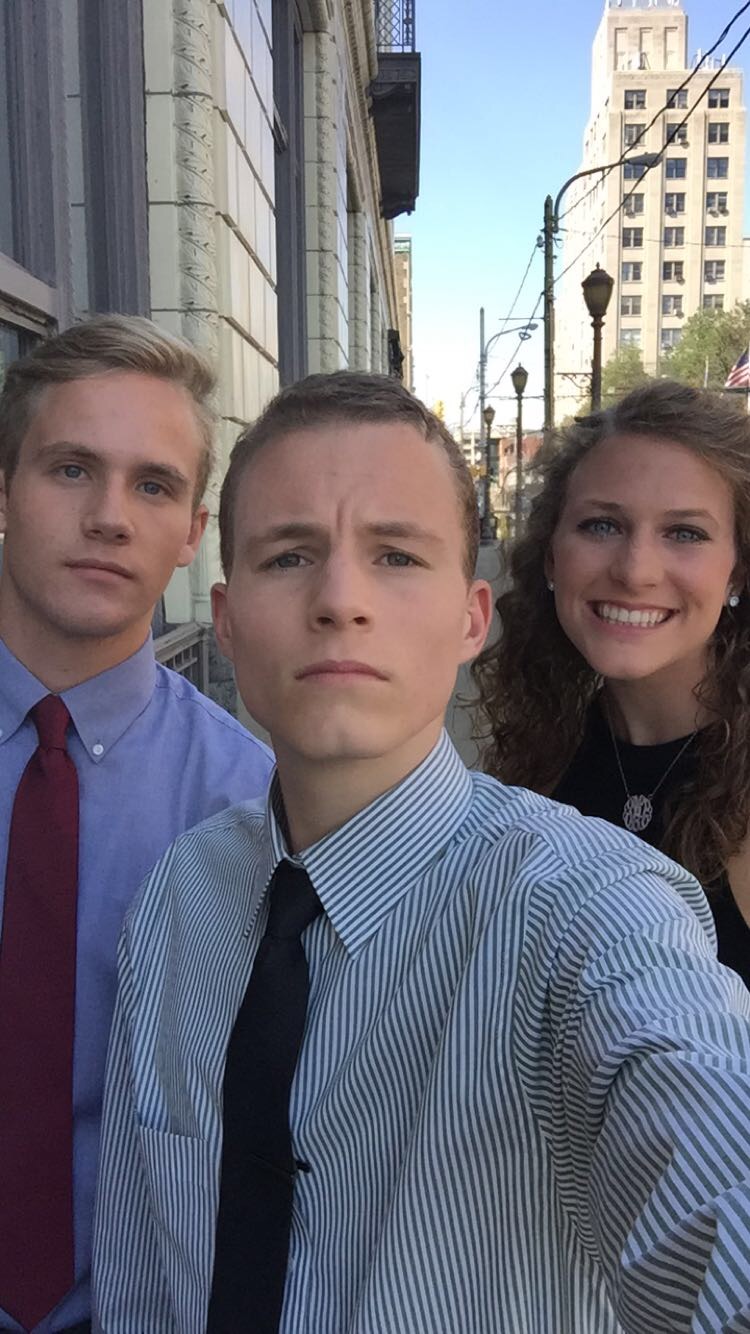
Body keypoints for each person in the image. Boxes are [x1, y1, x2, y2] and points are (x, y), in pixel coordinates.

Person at [94, 371, 750, 1334]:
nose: (340, 600)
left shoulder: (593, 909)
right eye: (289, 556)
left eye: (396, 555)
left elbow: (698, 1137)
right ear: (226, 622)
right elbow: (142, 1264)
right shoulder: (178, 896)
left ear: (472, 618)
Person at [0, 315, 273, 1334]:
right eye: (71, 469)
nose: (110, 517)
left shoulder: (248, 803)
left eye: (153, 485)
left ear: (193, 532)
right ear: (3, 490)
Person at [474, 378, 750, 990]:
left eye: (685, 533)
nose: (635, 571)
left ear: (738, 571)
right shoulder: (539, 757)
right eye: (601, 526)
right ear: (551, 558)